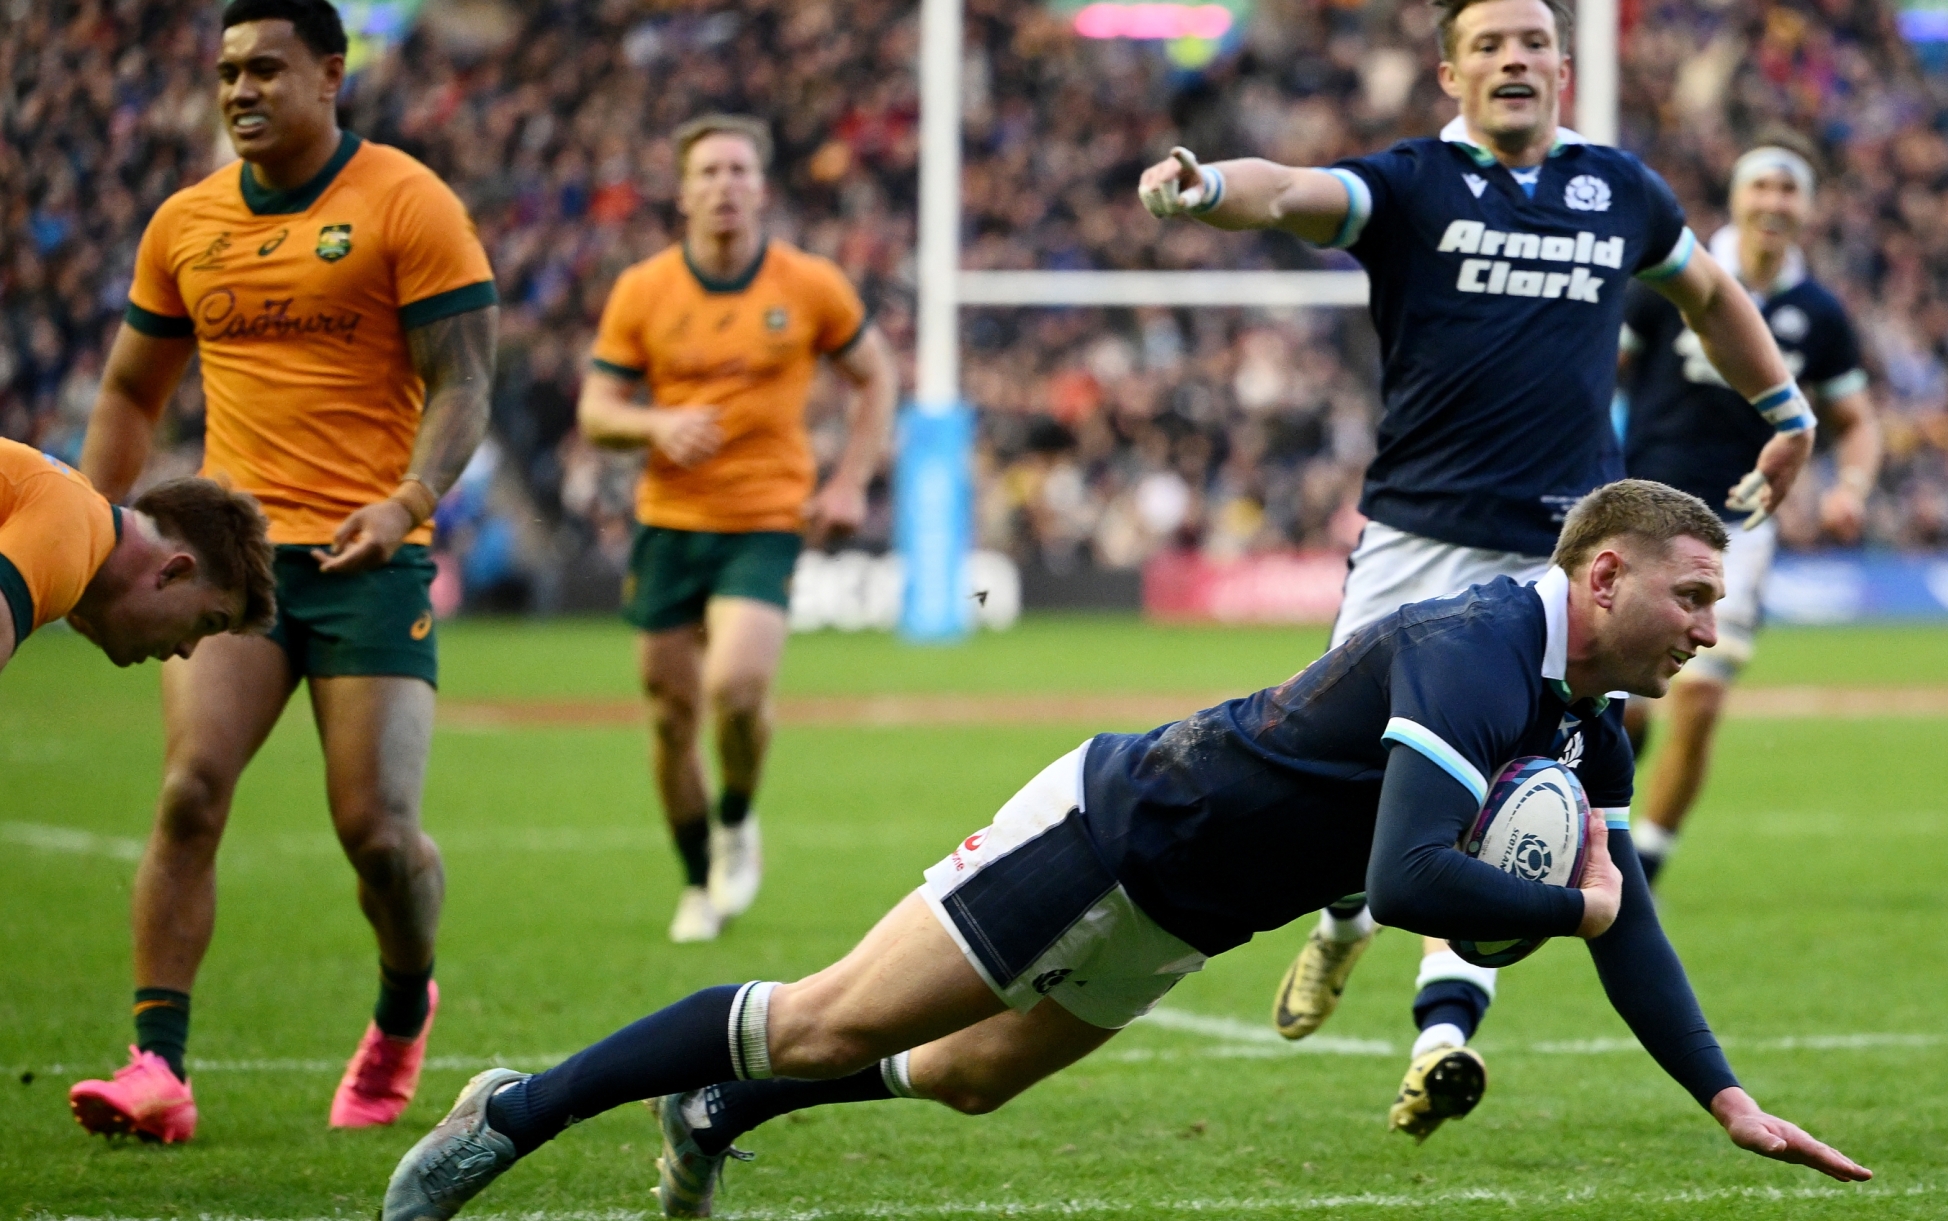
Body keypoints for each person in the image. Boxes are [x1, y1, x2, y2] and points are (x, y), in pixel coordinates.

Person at [378, 480, 1869, 1221]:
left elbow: (1627, 921)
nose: (1707, 626)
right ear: (1600, 576)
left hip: (1192, 911)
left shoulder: (1589, 732)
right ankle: (521, 1108)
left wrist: (1725, 1096)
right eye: (1690, 593)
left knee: (967, 1077)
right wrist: (1577, 905)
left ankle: (714, 1103)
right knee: (825, 1014)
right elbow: (1417, 883)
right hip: (1121, 824)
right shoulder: (1478, 643)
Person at [1135, 0, 1818, 1137]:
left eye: (1532, 40)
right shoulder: (1410, 185)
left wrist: (1785, 409)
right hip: (1415, 542)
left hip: (1562, 558)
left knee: (1521, 800)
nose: (1514, 57)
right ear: (1449, 72)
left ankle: (1445, 1026)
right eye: (1488, 43)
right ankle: (1348, 923)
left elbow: (1707, 294)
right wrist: (1207, 188)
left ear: (1562, 64)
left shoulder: (1620, 192)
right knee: (1344, 798)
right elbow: (1296, 192)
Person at [66, 0, 497, 1143]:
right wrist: (91, 532)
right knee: (189, 791)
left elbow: (465, 382)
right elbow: (128, 392)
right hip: (227, 564)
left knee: (379, 834)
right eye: (226, 73)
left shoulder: (408, 203)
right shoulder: (184, 223)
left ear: (331, 75)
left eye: (266, 69)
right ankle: (156, 1067)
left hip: (372, 557)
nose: (241, 91)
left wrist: (406, 500)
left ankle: (404, 1009)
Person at [578, 114, 897, 943]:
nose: (724, 185)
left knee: (739, 687)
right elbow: (596, 410)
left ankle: (738, 813)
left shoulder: (809, 284)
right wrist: (657, 426)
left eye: (738, 170)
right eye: (709, 172)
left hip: (765, 517)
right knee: (670, 711)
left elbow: (876, 376)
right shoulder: (644, 290)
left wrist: (852, 480)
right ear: (683, 193)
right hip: (669, 522)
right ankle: (696, 880)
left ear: (762, 186)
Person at [1618, 141, 1882, 883]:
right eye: (1761, 186)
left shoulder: (1817, 313)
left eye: (1789, 190)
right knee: (1626, 704)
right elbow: (1603, 367)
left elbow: (1856, 418)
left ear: (1807, 209)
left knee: (1699, 698)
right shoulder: (1677, 277)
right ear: (1735, 198)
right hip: (1642, 512)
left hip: (1741, 526)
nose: (1774, 201)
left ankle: (1646, 866)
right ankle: (1587, 812)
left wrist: (1849, 487)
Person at [0, 439, 275, 676]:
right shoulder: (67, 532)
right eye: (208, 622)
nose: (187, 651)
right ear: (174, 571)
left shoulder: (73, 513)